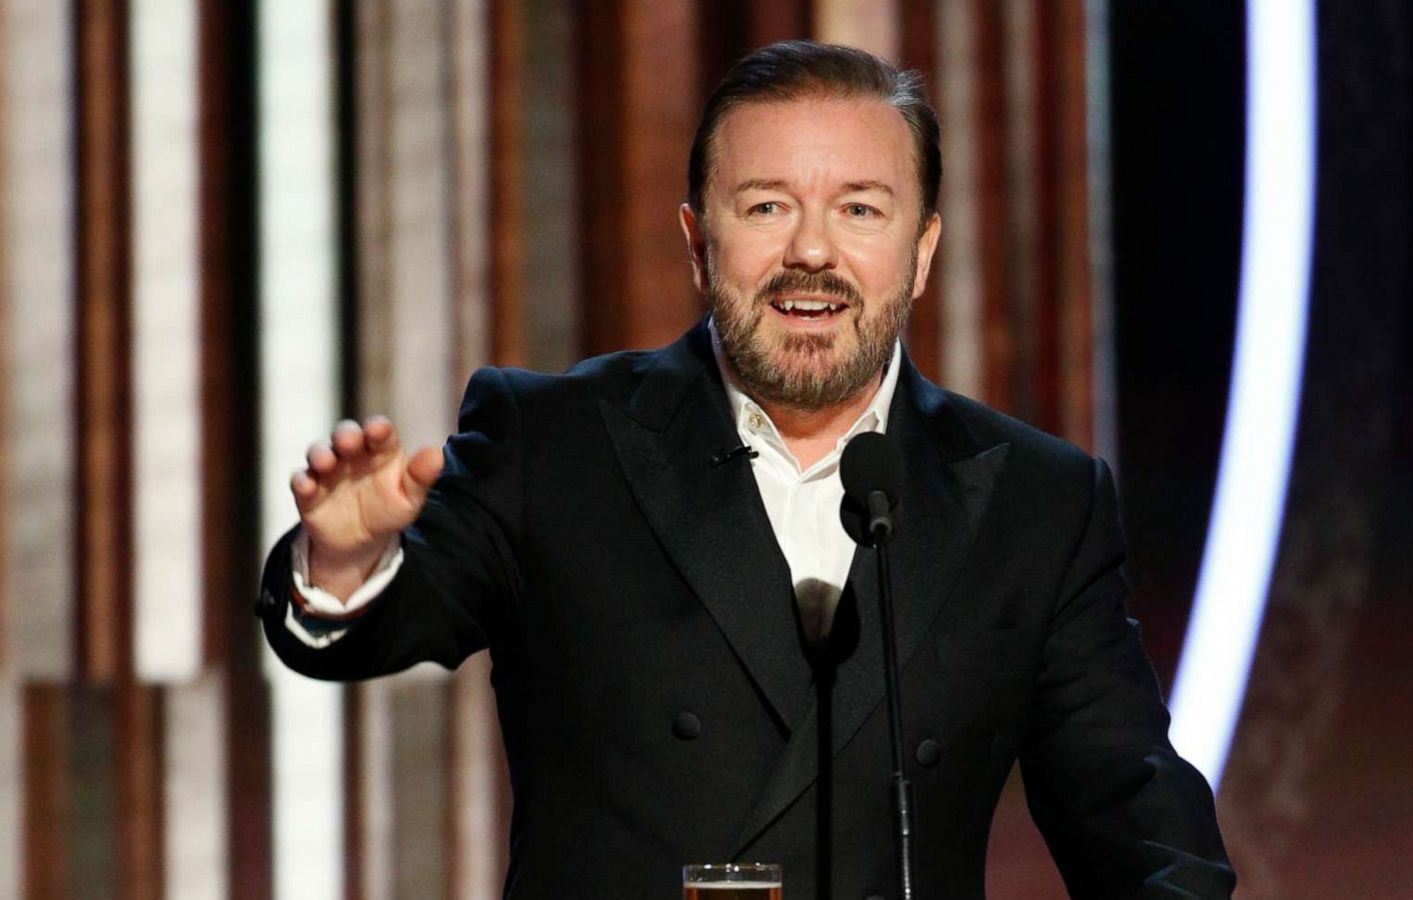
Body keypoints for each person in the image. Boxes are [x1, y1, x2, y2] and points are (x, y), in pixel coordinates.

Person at [257, 40, 1234, 900]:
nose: (811, 250)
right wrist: (343, 570)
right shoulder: (553, 441)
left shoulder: (1034, 499)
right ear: (697, 242)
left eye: (859, 208)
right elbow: (381, 622)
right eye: (766, 206)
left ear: (922, 249)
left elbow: (1139, 821)